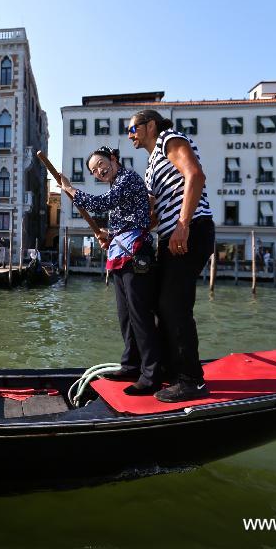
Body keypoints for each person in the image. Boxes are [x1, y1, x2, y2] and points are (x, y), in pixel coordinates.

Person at [61, 147, 164, 396]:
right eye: (94, 170)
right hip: (121, 254)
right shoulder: (116, 184)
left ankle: (152, 374)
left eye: (100, 164)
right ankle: (131, 365)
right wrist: (109, 235)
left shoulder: (128, 179)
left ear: (114, 159)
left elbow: (100, 204)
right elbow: (122, 220)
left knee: (140, 315)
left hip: (137, 255)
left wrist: (70, 189)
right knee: (125, 315)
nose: (98, 171)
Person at [128, 109, 215, 402]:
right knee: (160, 305)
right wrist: (115, 235)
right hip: (170, 237)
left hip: (191, 231)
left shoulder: (169, 139)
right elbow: (151, 217)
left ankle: (192, 380)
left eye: (133, 129)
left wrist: (183, 225)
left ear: (150, 125)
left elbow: (195, 175)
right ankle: (172, 371)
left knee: (174, 304)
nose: (130, 135)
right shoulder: (151, 166)